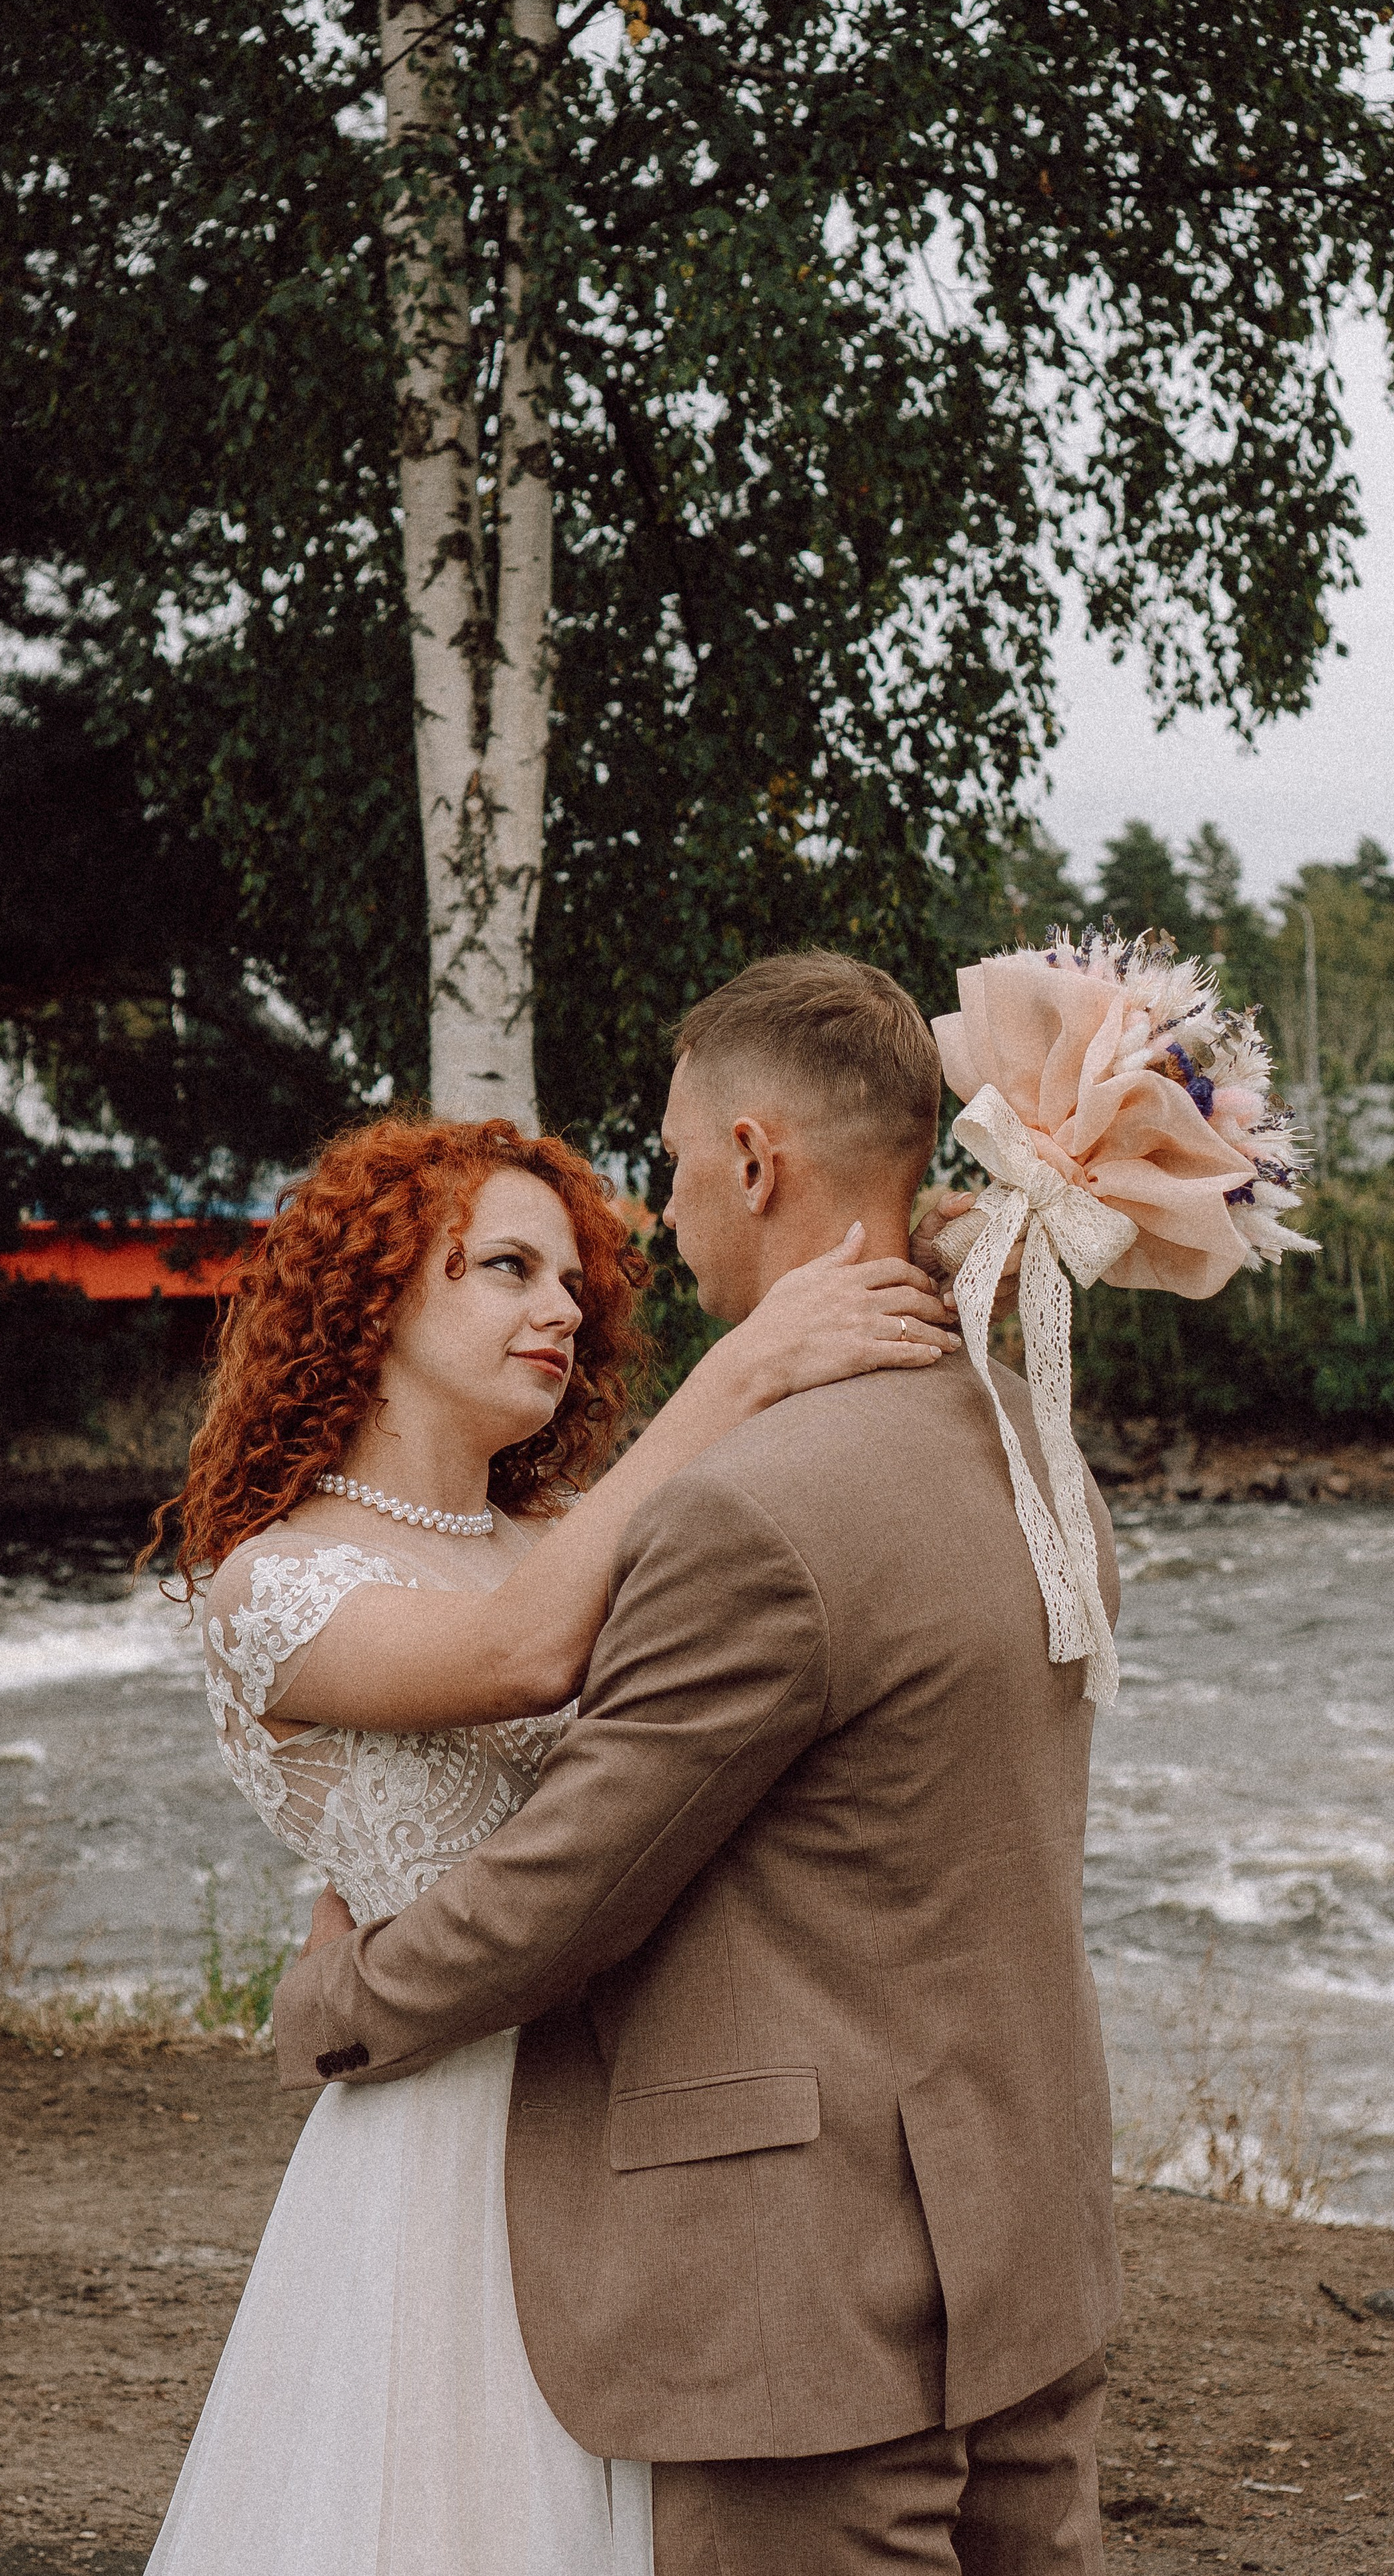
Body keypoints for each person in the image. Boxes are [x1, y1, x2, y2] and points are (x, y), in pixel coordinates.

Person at [271, 951, 1122, 2575]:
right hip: (1021, 2235)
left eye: (666, 1165)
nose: (657, 1217)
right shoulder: (1032, 1440)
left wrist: (337, 2000)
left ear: (751, 1158)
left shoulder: (750, 1509)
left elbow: (564, 1891)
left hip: (811, 2299)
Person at [144, 1097, 959, 2576]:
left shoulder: (563, 1534)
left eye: (575, 1281)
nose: (564, 1310)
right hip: (443, 2133)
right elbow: (521, 1656)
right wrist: (740, 1368)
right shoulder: (273, 1581)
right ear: (378, 1293)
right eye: (509, 1269)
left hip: (638, 2112)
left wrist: (933, 1258)